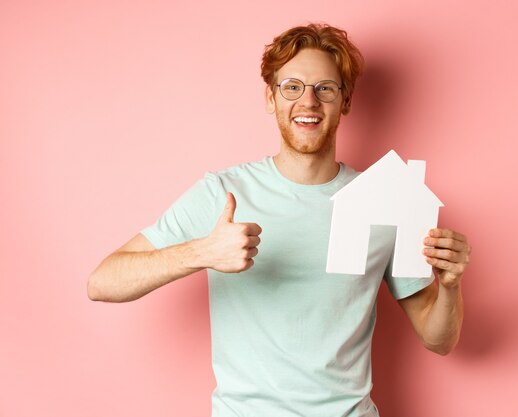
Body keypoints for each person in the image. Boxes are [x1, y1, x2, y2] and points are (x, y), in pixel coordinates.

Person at [88, 23, 471, 417]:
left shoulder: (384, 199)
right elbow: (102, 282)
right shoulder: (224, 193)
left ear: (346, 101)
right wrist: (202, 251)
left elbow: (437, 338)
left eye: (325, 88)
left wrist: (450, 285)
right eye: (292, 87)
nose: (308, 101)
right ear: (271, 98)